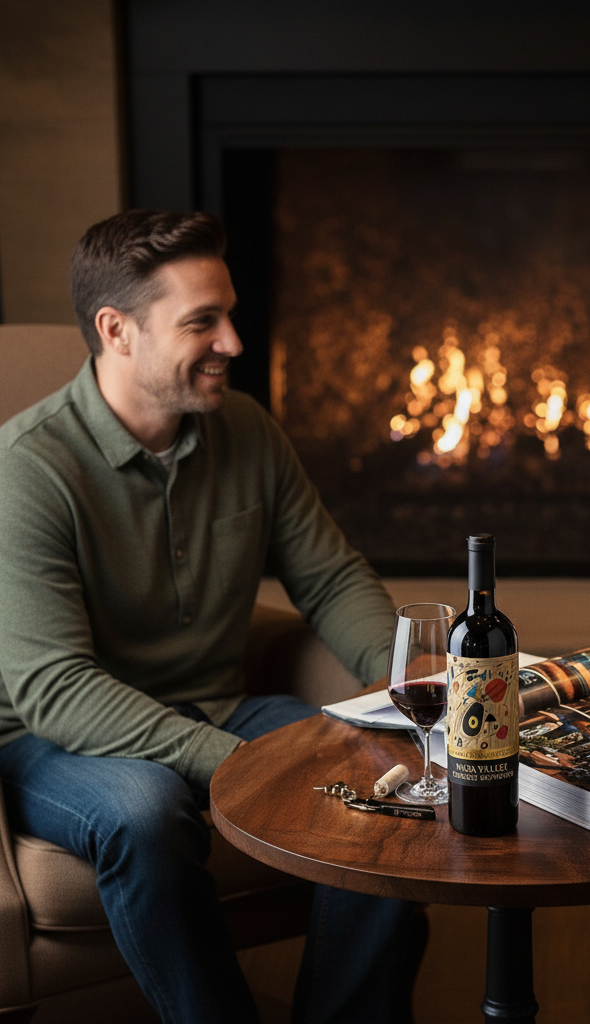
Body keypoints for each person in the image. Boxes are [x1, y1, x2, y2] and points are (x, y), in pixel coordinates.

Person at [0, 209, 425, 1024]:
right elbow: (54, 688)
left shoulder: (249, 432)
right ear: (116, 330)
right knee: (144, 809)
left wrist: (417, 682)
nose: (234, 341)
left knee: (385, 777)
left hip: (217, 699)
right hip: (48, 737)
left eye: (229, 313)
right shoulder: (29, 471)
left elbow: (331, 577)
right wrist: (236, 764)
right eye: (203, 322)